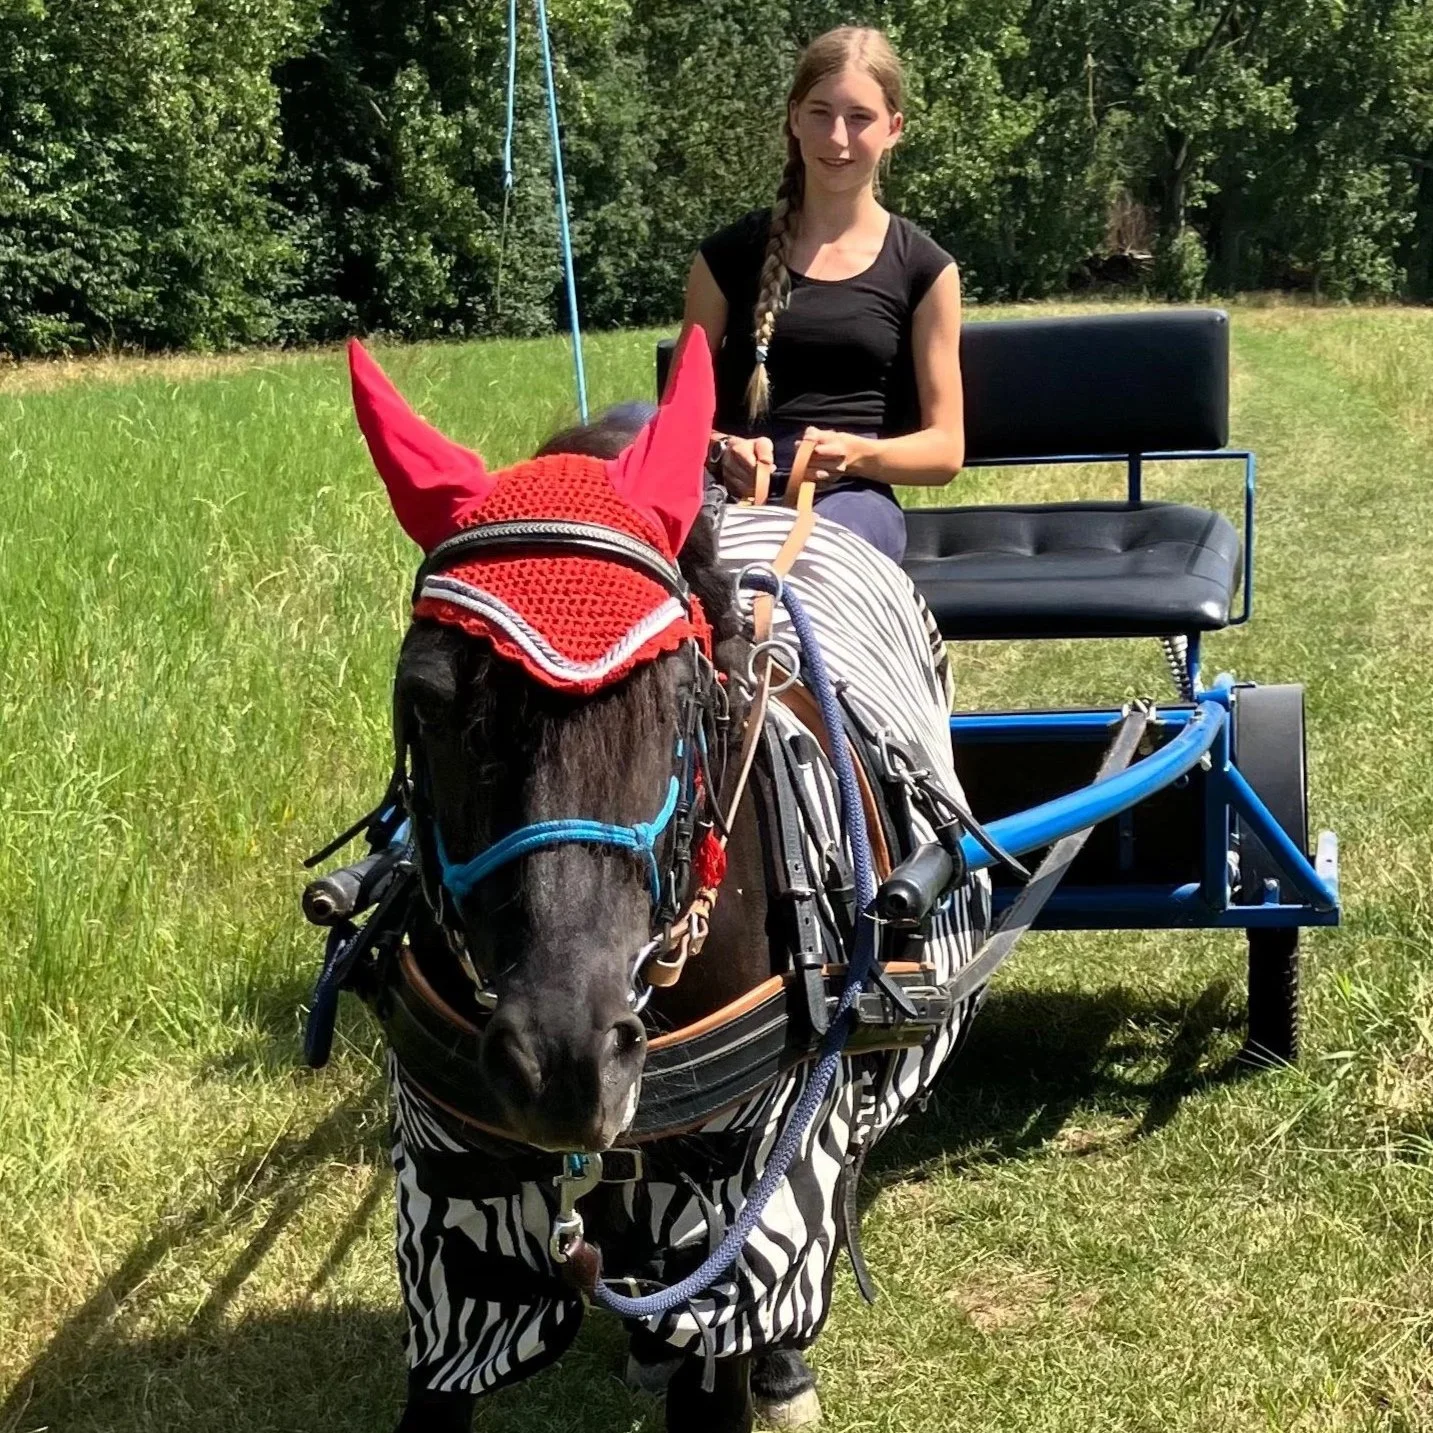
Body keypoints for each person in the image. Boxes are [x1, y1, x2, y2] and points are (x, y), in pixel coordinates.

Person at [678, 25, 965, 565]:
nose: (837, 138)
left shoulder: (925, 269)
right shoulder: (726, 257)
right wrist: (721, 450)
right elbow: (678, 417)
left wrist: (858, 454)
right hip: (729, 492)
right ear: (793, 118)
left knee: (810, 566)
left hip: (852, 498)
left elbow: (946, 451)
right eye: (820, 113)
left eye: (860, 118)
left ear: (894, 129)